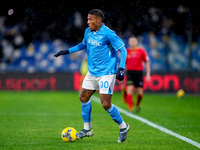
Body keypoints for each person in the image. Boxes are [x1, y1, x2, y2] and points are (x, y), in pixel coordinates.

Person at [54, 9, 130, 143]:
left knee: (106, 104)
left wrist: (121, 68)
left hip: (106, 73)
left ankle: (123, 127)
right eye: (87, 19)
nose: (88, 22)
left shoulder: (109, 34)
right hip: (92, 72)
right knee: (83, 97)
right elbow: (83, 44)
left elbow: (122, 50)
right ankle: (87, 129)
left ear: (99, 20)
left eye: (90, 19)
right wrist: (67, 51)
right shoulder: (88, 31)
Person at [125, 36, 151, 113]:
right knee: (129, 90)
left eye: (134, 41)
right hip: (130, 72)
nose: (132, 42)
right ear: (129, 42)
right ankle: (130, 108)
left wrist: (148, 74)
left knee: (140, 93)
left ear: (136, 42)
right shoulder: (126, 52)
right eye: (131, 41)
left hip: (139, 73)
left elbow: (147, 62)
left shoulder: (141, 51)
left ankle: (138, 104)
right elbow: (123, 64)